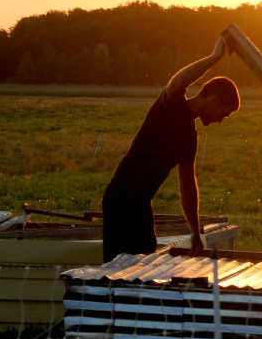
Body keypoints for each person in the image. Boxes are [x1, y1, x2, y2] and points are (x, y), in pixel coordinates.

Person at [102, 35, 240, 260]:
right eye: (222, 114)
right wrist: (215, 57)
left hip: (141, 204)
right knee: (121, 270)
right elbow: (178, 81)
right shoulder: (171, 106)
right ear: (214, 100)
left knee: (142, 266)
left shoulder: (190, 137)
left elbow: (188, 187)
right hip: (120, 200)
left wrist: (195, 232)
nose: (219, 120)